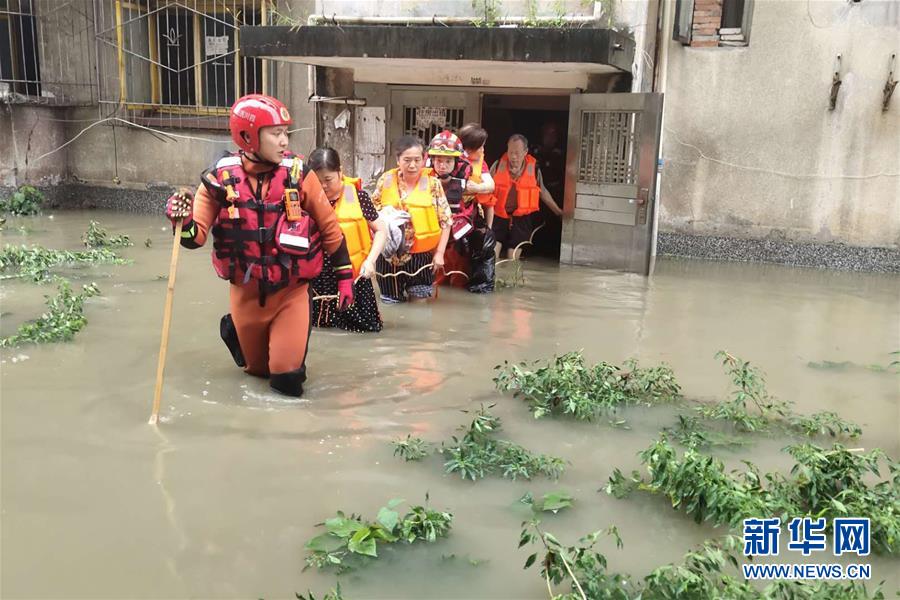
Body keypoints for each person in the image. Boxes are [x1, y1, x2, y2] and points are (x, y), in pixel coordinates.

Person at [163, 94, 354, 397]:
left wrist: (345, 277)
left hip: (291, 293)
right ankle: (235, 332)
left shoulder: (300, 175)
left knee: (286, 380)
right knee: (256, 372)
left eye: (285, 133)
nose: (284, 141)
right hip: (246, 294)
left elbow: (331, 230)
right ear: (249, 136)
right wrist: (182, 221)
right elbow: (193, 239)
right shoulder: (218, 180)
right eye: (276, 133)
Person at [307, 147, 386, 332]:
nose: (323, 186)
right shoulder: (306, 200)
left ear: (340, 172)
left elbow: (381, 230)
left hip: (356, 277)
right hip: (319, 280)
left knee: (363, 331)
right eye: (318, 181)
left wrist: (370, 261)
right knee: (317, 330)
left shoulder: (359, 197)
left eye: (328, 180)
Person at [372, 135, 452, 303]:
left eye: (417, 160)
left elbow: (446, 221)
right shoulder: (385, 181)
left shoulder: (433, 184)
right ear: (398, 160)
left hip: (421, 257)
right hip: (389, 258)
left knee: (419, 305)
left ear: (424, 160)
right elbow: (371, 216)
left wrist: (439, 253)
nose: (412, 165)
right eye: (407, 160)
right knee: (391, 303)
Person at [427, 129, 496, 293]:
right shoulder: (423, 171)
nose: (442, 165)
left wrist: (475, 187)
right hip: (435, 225)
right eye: (439, 160)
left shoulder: (474, 167)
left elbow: (490, 186)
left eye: (448, 161)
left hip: (464, 222)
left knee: (481, 244)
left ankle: (479, 290)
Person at [490, 134, 564, 261]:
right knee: (492, 253)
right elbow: (486, 188)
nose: (513, 157)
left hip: (521, 217)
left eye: (517, 153)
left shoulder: (534, 169)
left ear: (525, 152)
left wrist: (558, 212)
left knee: (512, 257)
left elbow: (543, 192)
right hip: (499, 214)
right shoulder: (497, 166)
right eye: (510, 152)